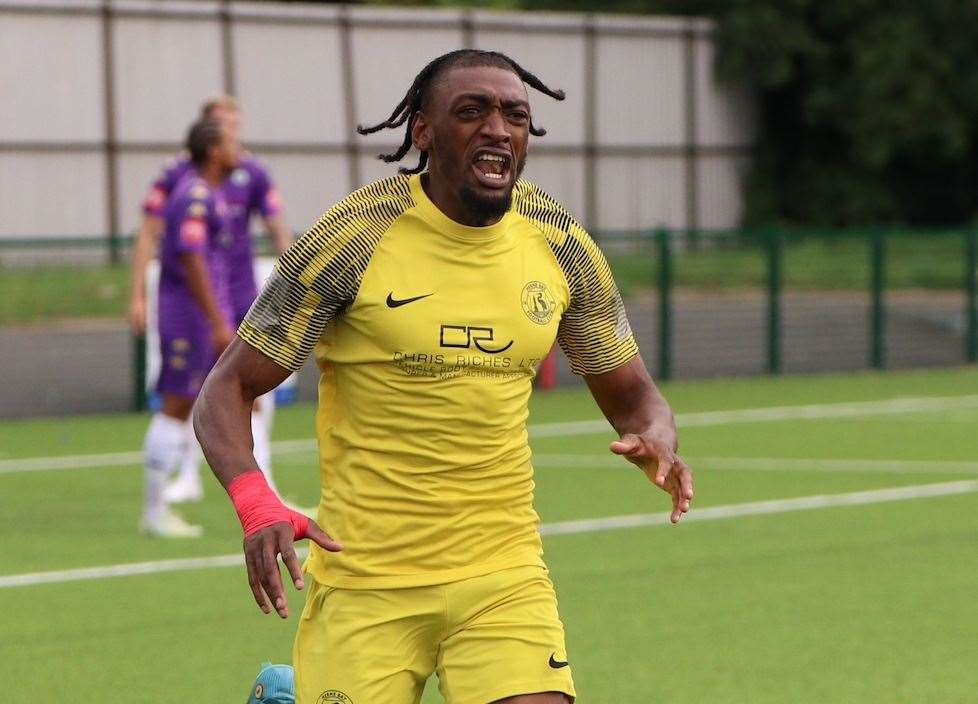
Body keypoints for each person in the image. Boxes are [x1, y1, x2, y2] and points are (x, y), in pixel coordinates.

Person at [194, 49, 694, 703]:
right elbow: (225, 390)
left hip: (503, 571)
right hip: (365, 578)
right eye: (472, 111)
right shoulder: (352, 238)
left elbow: (634, 396)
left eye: (514, 114)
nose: (497, 127)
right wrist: (257, 505)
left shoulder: (560, 243)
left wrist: (655, 435)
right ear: (423, 132)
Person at [129, 96, 292, 503]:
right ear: (210, 139)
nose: (238, 139)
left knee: (250, 386)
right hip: (194, 303)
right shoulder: (186, 184)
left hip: (235, 292)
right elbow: (173, 245)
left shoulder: (248, 173)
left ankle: (262, 487)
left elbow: (276, 223)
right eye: (228, 130)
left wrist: (294, 276)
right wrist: (138, 295)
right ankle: (174, 488)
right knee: (184, 395)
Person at [140, 120, 237, 538]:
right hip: (188, 319)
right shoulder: (196, 195)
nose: (240, 151)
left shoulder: (207, 193)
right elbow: (193, 258)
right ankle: (154, 512)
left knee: (203, 403)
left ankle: (174, 497)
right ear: (214, 150)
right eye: (233, 143)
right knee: (176, 405)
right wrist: (216, 321)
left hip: (199, 316)